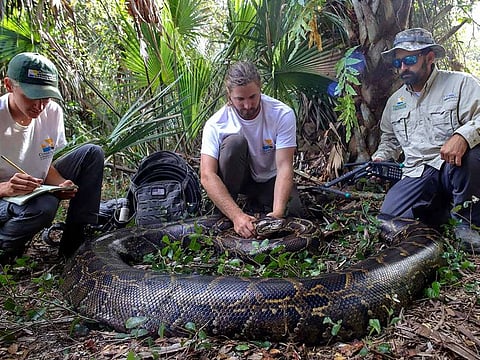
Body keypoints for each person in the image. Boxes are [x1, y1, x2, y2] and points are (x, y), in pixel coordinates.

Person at [372, 28, 480, 253]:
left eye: (409, 60)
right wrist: (382, 156)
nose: (403, 67)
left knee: (472, 155)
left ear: (429, 58)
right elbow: (389, 138)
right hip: (417, 171)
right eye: (398, 62)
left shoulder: (460, 84)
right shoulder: (395, 101)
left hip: (454, 166)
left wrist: (462, 136)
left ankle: (468, 224)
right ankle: (440, 213)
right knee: (387, 221)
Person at [0, 52, 104, 263]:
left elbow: (42, 164)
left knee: (92, 153)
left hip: (33, 189)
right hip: (5, 197)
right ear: (9, 85)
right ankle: (4, 249)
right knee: (44, 205)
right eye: (31, 95)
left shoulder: (52, 112)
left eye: (45, 97)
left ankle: (75, 246)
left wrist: (61, 184)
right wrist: (5, 188)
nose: (39, 106)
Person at [200, 61, 304, 238]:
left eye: (253, 97)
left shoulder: (282, 114)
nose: (248, 105)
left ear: (260, 89)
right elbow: (207, 175)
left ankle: (258, 204)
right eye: (240, 99)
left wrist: (277, 214)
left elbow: (285, 166)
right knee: (234, 143)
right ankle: (230, 207)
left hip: (270, 178)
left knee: (294, 212)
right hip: (240, 181)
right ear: (229, 96)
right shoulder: (215, 124)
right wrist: (236, 216)